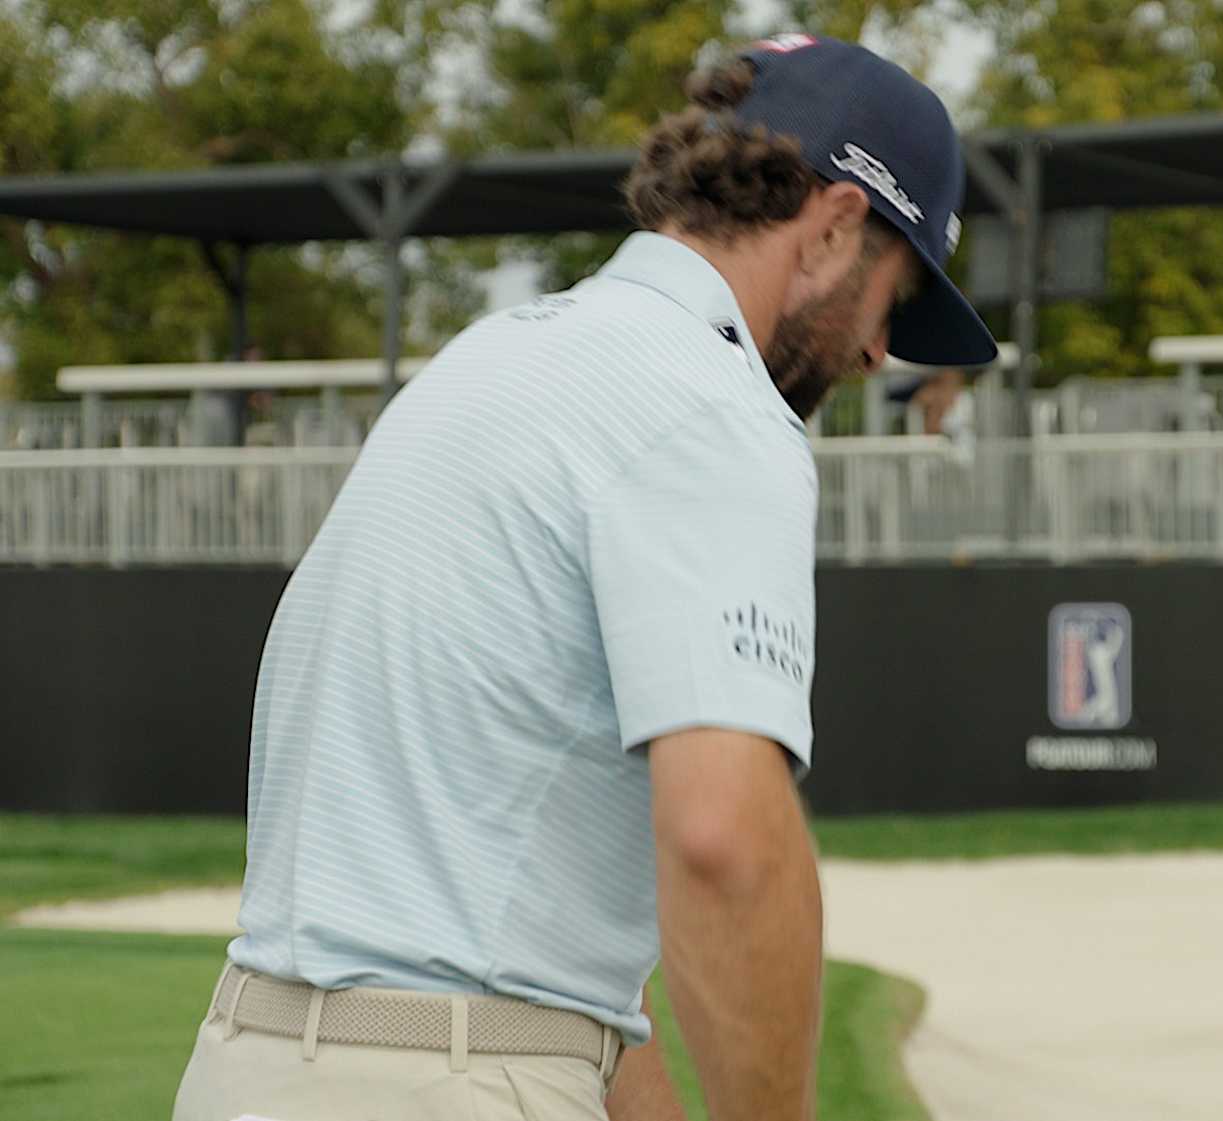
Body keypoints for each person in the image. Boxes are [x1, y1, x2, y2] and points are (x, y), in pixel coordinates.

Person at [172, 34, 994, 1121]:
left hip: (245, 1064)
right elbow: (722, 842)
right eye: (894, 298)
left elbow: (557, 949)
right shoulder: (714, 406)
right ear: (837, 227)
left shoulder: (489, 358)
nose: (880, 353)